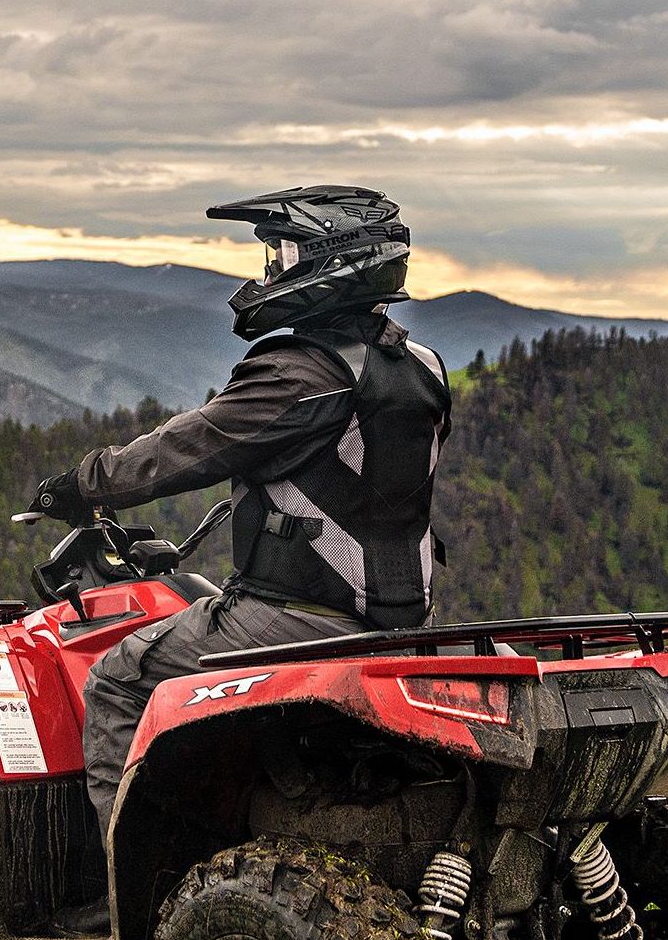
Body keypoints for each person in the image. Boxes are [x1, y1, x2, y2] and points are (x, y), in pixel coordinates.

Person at [28, 184, 453, 831]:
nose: (269, 271)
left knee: (117, 680)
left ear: (327, 263)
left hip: (296, 617)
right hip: (403, 620)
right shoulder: (423, 367)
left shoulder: (299, 372)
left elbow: (186, 447)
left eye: (281, 255)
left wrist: (84, 484)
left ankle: (135, 891)